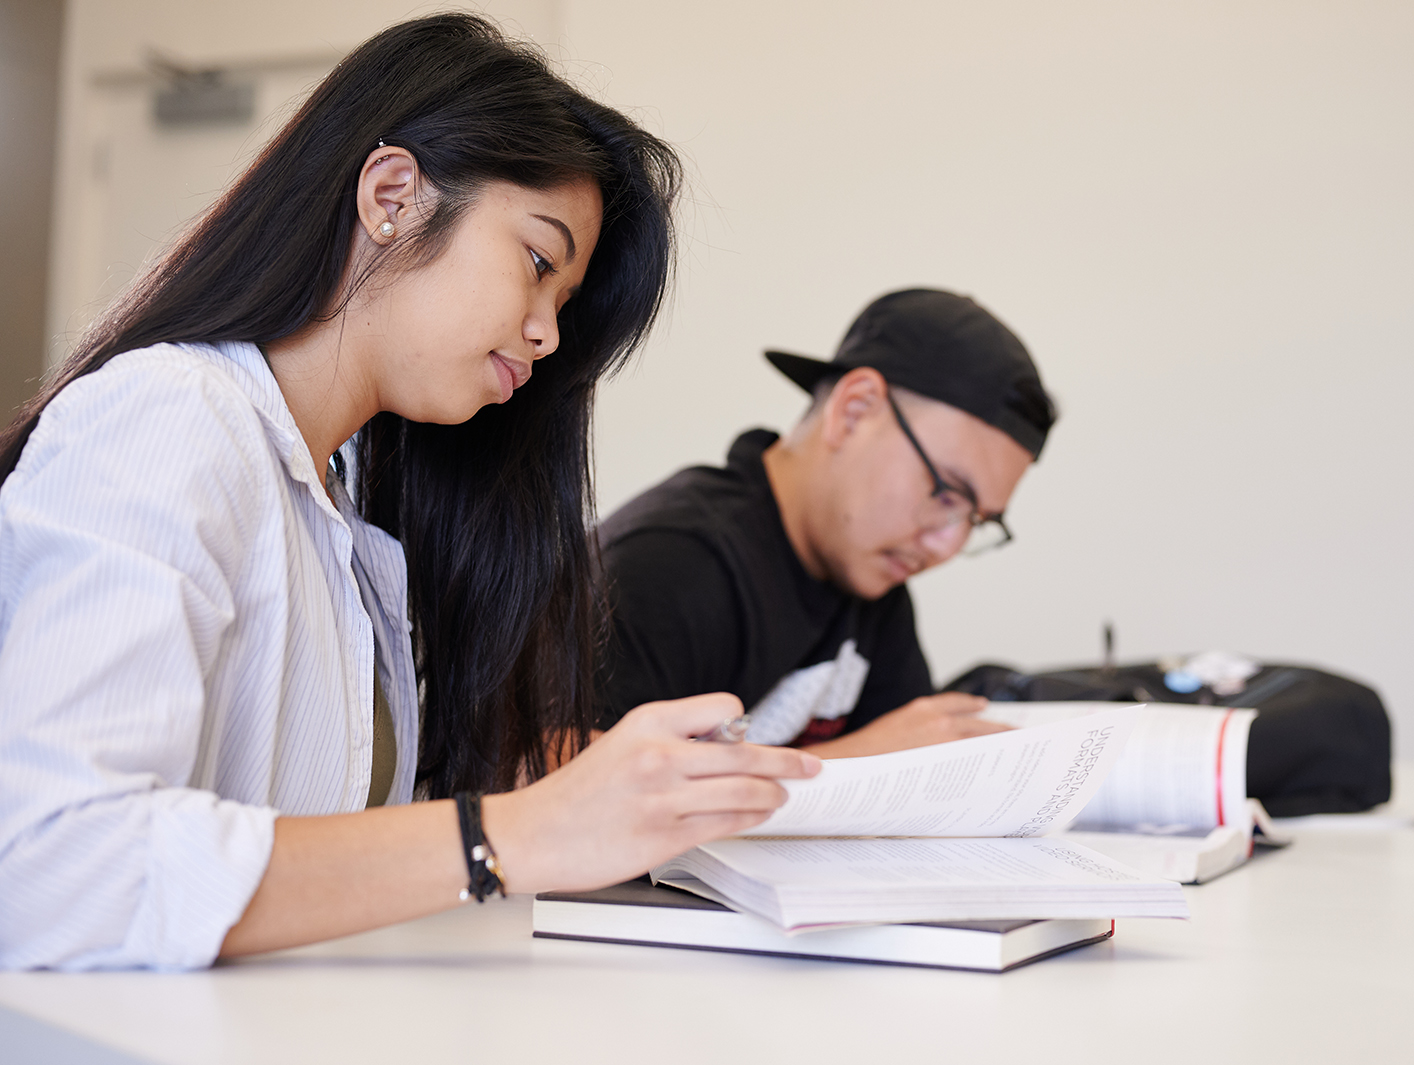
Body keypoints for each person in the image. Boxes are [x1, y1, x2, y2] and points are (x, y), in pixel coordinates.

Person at [0, 14, 818, 972]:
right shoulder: (168, 417)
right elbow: (50, 865)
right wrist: (502, 835)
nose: (547, 334)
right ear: (392, 194)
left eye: (562, 302)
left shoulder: (346, 502)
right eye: (539, 264)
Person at [596, 288, 1057, 757]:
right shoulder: (666, 566)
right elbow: (560, 789)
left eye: (977, 522)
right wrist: (857, 758)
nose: (946, 546)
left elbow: (910, 766)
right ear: (854, 411)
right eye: (945, 493)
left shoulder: (873, 588)